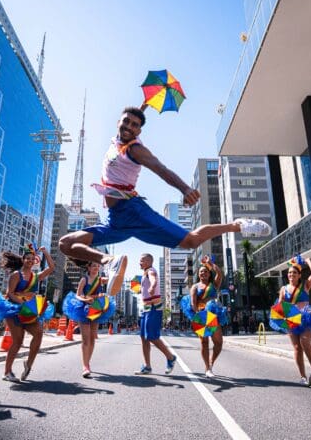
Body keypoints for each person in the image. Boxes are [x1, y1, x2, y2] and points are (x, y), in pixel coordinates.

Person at [59, 107, 272, 297]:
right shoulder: (117, 141)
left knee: (190, 241)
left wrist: (185, 188)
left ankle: (238, 225)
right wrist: (139, 111)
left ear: (139, 132)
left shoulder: (135, 149)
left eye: (135, 125)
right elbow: (131, 121)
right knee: (65, 244)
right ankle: (109, 261)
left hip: (133, 211)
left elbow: (161, 169)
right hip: (115, 222)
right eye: (126, 122)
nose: (129, 127)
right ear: (118, 122)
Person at [0, 246, 56, 382]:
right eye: (27, 259)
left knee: (38, 334)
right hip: (14, 310)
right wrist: (22, 301)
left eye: (32, 259)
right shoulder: (16, 275)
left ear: (35, 261)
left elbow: (51, 268)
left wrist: (46, 252)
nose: (30, 261)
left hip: (30, 311)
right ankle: (7, 372)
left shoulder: (36, 276)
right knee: (17, 341)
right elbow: (9, 293)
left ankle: (28, 364)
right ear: (23, 260)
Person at [270, 256, 311, 386]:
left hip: (306, 318)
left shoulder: (305, 285)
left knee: (305, 343)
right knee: (297, 348)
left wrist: (308, 260)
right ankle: (302, 376)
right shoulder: (283, 289)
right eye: (290, 273)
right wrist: (276, 312)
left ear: (299, 275)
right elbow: (280, 306)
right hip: (291, 320)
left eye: (294, 273)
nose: (291, 274)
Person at [62, 260, 116, 378]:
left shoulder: (101, 280)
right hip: (83, 309)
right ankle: (85, 366)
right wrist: (86, 299)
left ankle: (88, 362)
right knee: (85, 339)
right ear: (89, 267)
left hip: (96, 310)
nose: (96, 268)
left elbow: (114, 278)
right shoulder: (84, 279)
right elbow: (78, 294)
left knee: (92, 339)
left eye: (98, 266)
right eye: (94, 266)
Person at [180, 257, 228, 377]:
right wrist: (198, 316)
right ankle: (207, 369)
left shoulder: (214, 285)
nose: (203, 273)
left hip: (213, 316)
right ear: (198, 274)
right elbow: (193, 303)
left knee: (218, 343)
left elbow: (219, 273)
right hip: (201, 316)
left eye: (206, 271)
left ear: (209, 273)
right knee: (204, 343)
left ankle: (211, 363)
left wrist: (211, 263)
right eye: (201, 271)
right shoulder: (195, 287)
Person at [135, 253, 177, 375]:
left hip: (154, 307)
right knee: (143, 337)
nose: (140, 263)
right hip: (146, 308)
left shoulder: (151, 271)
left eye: (142, 260)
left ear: (148, 261)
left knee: (151, 336)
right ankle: (147, 366)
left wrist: (153, 286)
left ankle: (170, 357)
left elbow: (153, 278)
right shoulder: (144, 274)